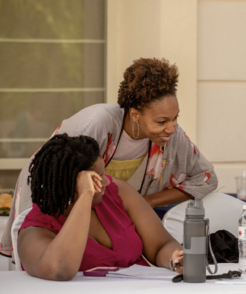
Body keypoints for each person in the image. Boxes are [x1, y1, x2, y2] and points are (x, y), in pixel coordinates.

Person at [1, 57, 218, 257]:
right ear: (134, 114)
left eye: (175, 118)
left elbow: (205, 178)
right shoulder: (96, 124)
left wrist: (146, 202)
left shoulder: (172, 135)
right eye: (162, 121)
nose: (171, 128)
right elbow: (59, 172)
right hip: (52, 204)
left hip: (102, 220)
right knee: (46, 264)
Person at [18, 134, 183, 280]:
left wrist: (174, 259)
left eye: (103, 174)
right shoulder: (36, 228)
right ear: (69, 185)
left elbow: (161, 245)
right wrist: (85, 196)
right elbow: (60, 270)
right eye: (97, 178)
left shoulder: (116, 193)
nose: (106, 181)